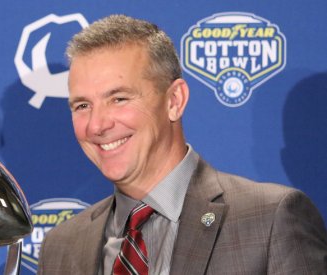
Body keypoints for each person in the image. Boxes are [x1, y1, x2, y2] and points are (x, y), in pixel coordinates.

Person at [37, 14, 327, 274]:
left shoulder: (270, 220)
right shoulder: (62, 246)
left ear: (174, 101)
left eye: (119, 99)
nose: (97, 125)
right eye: (82, 105)